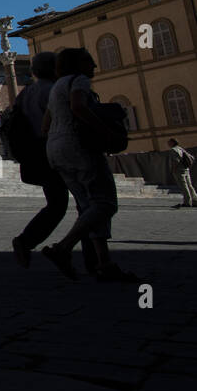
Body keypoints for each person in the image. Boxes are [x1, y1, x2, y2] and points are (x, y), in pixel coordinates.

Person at [40, 48, 135, 282]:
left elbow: (45, 126)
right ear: (78, 64)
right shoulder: (78, 81)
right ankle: (63, 248)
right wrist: (105, 132)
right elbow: (79, 106)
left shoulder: (56, 88)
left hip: (55, 148)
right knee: (105, 203)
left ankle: (104, 262)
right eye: (90, 62)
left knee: (88, 206)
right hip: (78, 145)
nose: (94, 67)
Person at [11, 52, 69, 266]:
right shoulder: (54, 90)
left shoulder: (25, 93)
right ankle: (93, 257)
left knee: (56, 203)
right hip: (62, 151)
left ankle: (27, 240)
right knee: (91, 204)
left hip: (38, 155)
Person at [167, 138, 195, 208]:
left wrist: (173, 169)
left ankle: (187, 202)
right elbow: (191, 157)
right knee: (189, 185)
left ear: (173, 143)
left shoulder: (173, 150)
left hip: (179, 170)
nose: (168, 144)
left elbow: (176, 161)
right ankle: (195, 200)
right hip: (186, 169)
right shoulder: (181, 149)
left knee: (184, 186)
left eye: (169, 142)